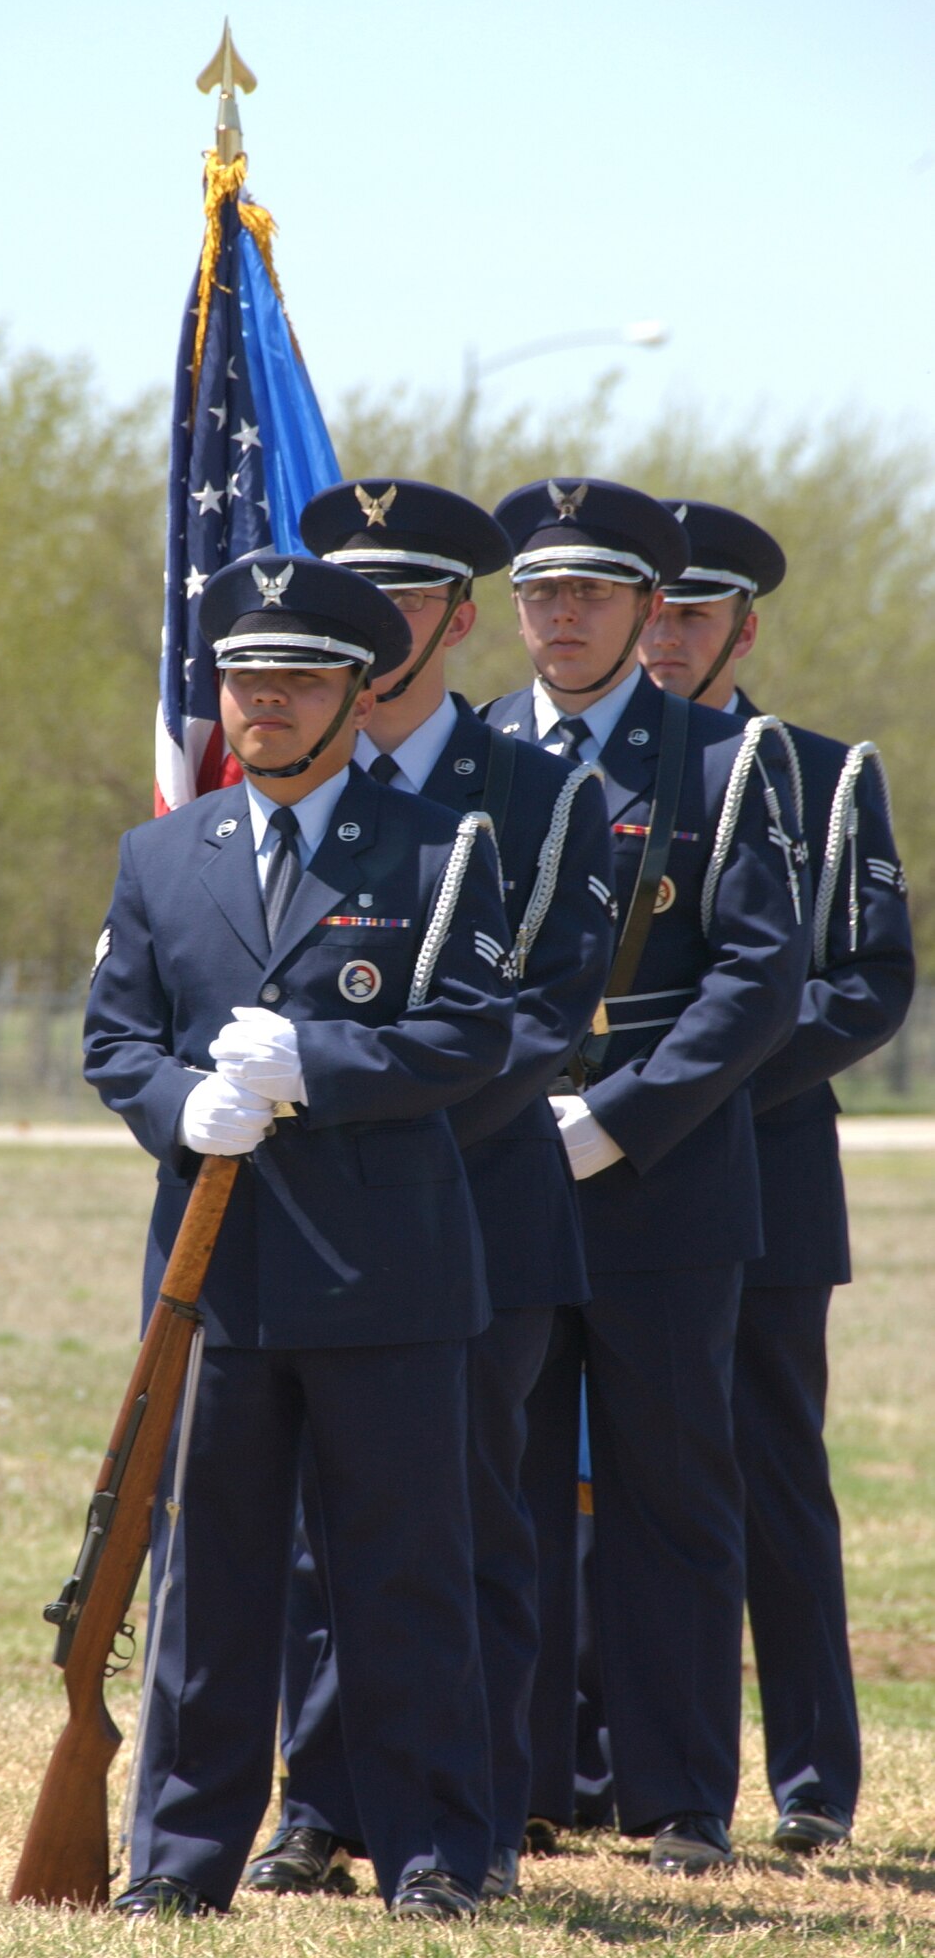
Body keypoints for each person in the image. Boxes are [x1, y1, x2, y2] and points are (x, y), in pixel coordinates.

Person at [85, 551, 518, 1922]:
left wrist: (318, 1064)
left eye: (294, 679)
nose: (260, 701)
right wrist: (181, 1104)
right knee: (207, 1583)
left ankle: (435, 1854)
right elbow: (114, 1039)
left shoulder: (443, 848)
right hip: (213, 1282)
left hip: (385, 1274)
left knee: (404, 1579)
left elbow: (471, 1033)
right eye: (241, 677)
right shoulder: (164, 854)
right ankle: (178, 1860)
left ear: (359, 690)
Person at [241, 478, 614, 1905]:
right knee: (307, 1541)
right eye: (349, 598)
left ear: (462, 619)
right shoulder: (287, 792)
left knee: (458, 1530)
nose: (375, 622)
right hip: (304, 1225)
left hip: (472, 1208)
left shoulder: (536, 791)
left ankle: (473, 1817)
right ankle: (316, 1807)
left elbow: (535, 1017)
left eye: (406, 597)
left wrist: (367, 1120)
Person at [481, 476, 811, 1874]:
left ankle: (680, 1801)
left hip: (663, 1182)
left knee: (673, 1495)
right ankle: (517, 1782)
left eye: (594, 593)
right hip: (500, 1170)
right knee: (500, 1490)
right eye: (541, 594)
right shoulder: (472, 751)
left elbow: (761, 977)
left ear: (645, 610)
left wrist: (614, 1118)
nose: (564, 617)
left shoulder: (727, 764)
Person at [638, 499, 914, 1850]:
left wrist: (703, 1076)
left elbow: (868, 986)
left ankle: (812, 1781)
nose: (667, 637)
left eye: (696, 615)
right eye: (656, 609)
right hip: (607, 1184)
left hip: (763, 1182)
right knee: (600, 1484)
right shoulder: (573, 775)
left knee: (769, 1478)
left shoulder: (819, 774)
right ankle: (595, 1766)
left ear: (743, 630)